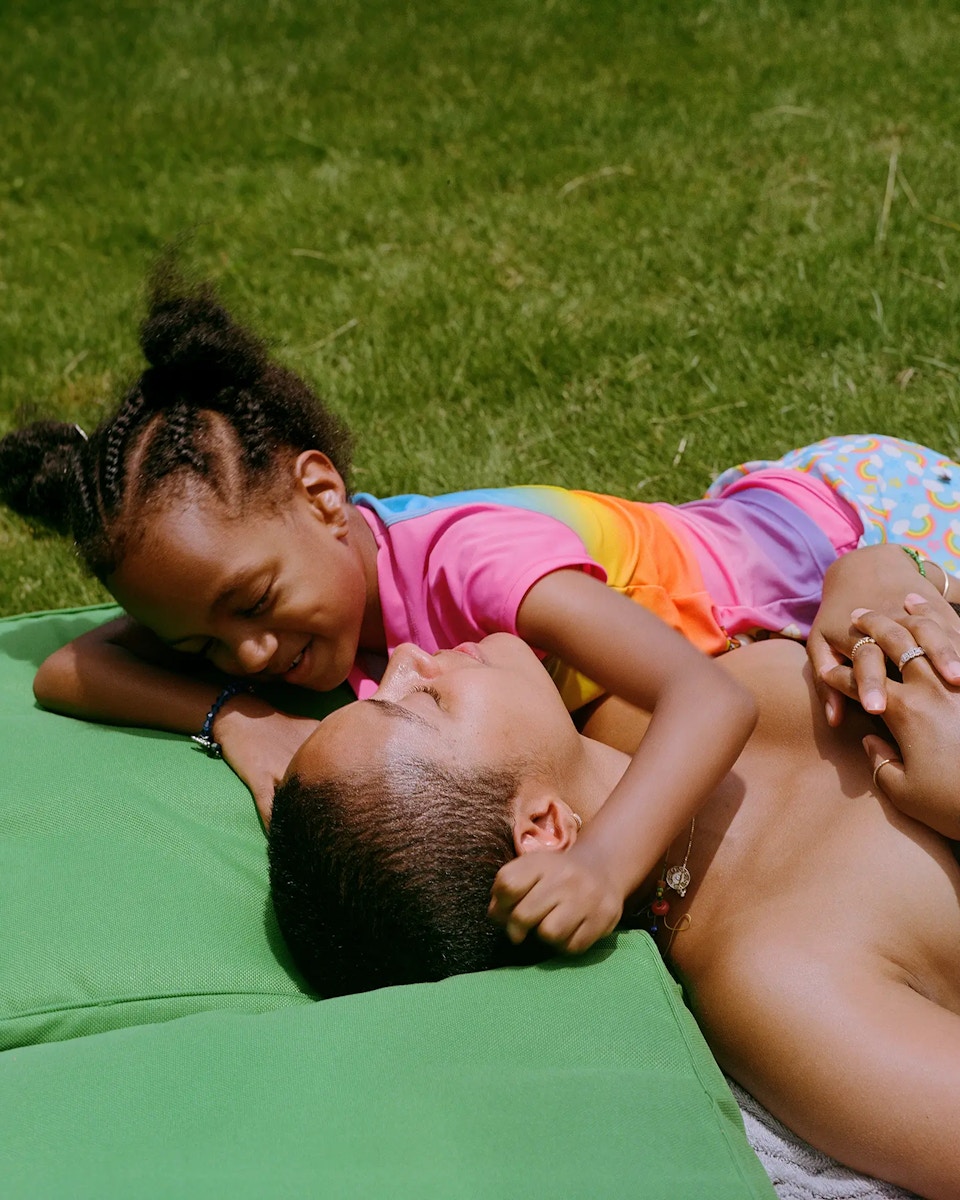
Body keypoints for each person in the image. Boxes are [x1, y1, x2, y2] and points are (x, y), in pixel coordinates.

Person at [2, 267, 957, 949]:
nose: (247, 653)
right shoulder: (271, 611)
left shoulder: (478, 569)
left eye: (250, 605)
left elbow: (709, 701)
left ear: (325, 497)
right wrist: (234, 720)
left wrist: (605, 865)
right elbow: (67, 670)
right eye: (201, 644)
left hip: (849, 525)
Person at [268, 594, 960, 1200]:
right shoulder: (782, 983)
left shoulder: (632, 711)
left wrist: (870, 584)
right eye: (423, 700)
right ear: (542, 828)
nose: (411, 654)